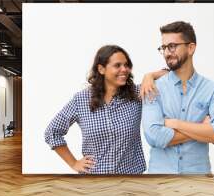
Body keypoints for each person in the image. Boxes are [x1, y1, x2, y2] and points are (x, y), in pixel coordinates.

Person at [44, 45, 165, 174]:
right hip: (95, 181)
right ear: (101, 69)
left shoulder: (137, 94)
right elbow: (52, 132)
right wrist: (74, 163)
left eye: (126, 65)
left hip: (130, 179)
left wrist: (149, 76)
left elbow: (171, 74)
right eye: (117, 65)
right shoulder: (81, 100)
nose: (124, 69)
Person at [142, 21, 214, 174]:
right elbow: (155, 137)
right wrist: (202, 129)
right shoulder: (152, 87)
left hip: (198, 176)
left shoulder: (212, 89)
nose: (167, 52)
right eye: (163, 48)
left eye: (172, 46)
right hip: (160, 176)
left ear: (191, 48)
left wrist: (175, 123)